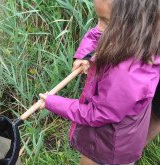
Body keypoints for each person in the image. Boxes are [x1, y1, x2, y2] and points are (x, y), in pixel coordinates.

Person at [39, 0, 160, 164]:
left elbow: (98, 113)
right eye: (99, 19)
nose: (99, 27)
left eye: (106, 21)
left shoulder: (128, 73)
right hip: (118, 134)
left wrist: (52, 102)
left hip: (110, 146)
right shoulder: (141, 37)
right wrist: (86, 55)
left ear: (136, 22)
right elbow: (98, 33)